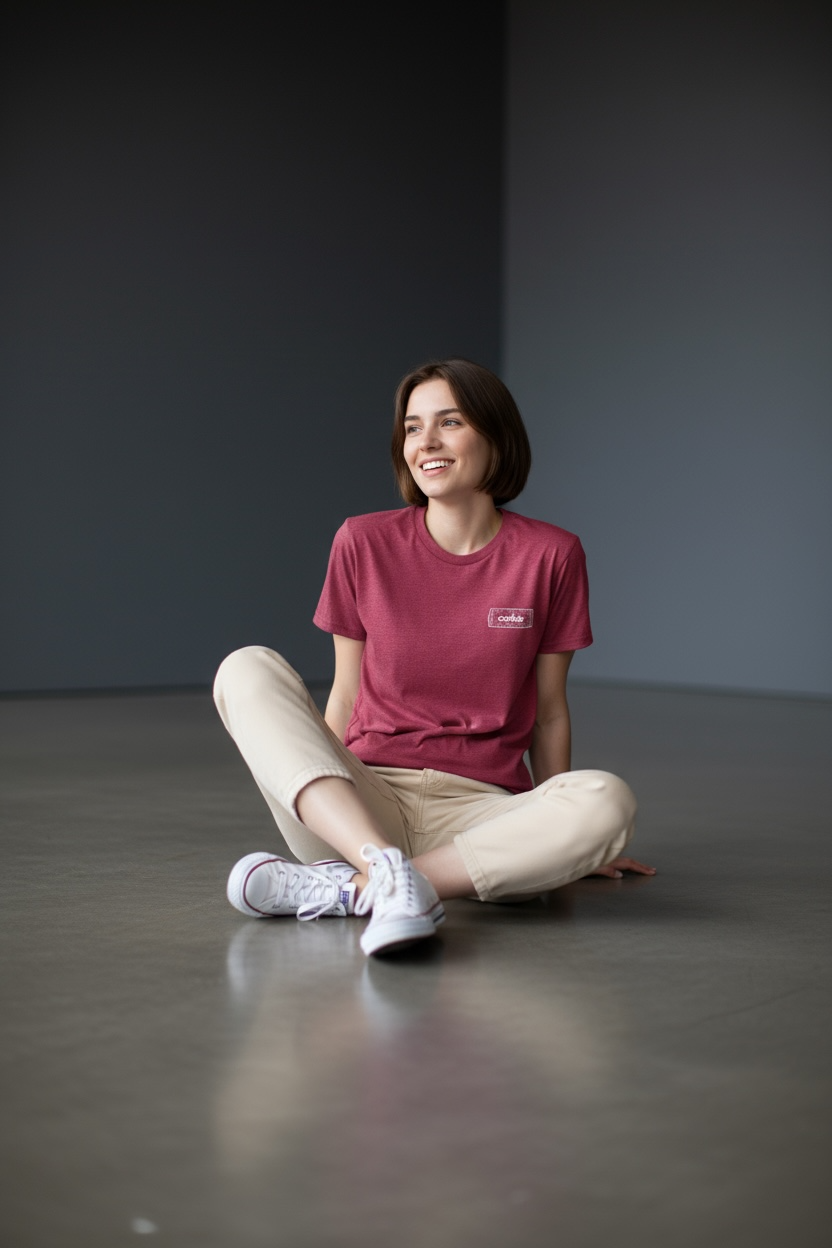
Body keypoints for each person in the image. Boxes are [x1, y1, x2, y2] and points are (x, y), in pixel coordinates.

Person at [214, 358, 654, 957]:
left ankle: (364, 889)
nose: (427, 443)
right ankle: (377, 867)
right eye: (413, 427)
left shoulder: (551, 555)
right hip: (362, 799)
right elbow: (344, 693)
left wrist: (562, 832)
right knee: (246, 666)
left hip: (480, 811)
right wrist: (330, 800)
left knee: (607, 800)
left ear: (495, 438)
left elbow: (550, 711)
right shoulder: (362, 541)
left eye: (449, 422)